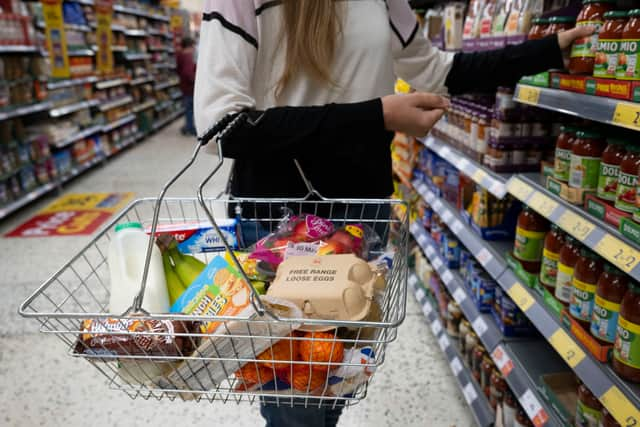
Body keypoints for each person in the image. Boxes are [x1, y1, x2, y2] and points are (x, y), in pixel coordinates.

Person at [194, 1, 591, 426]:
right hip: (281, 227)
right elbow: (222, 126)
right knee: (297, 398)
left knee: (332, 381)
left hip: (361, 220)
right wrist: (377, 116)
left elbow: (438, 71)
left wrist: (549, 51)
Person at [176, 36, 197, 136]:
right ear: (189, 46)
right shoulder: (188, 56)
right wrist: (194, 81)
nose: (194, 48)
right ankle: (190, 128)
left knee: (188, 108)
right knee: (190, 108)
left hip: (185, 86)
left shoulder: (180, 55)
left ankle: (188, 126)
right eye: (193, 46)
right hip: (190, 87)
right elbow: (187, 72)